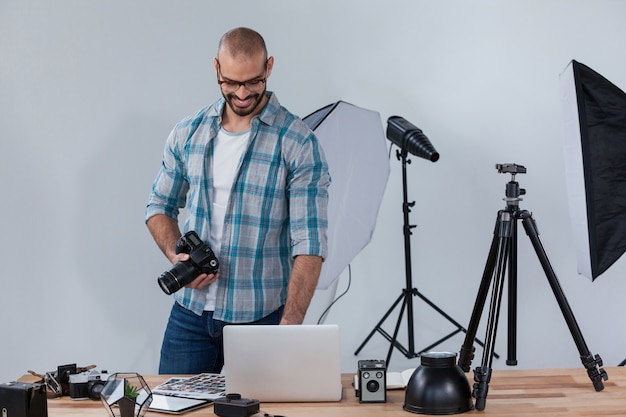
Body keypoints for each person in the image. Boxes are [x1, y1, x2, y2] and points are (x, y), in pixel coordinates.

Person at [145, 27, 330, 374]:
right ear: (216, 68)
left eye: (253, 82)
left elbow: (310, 242)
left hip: (262, 318)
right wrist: (177, 255)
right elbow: (159, 205)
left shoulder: (298, 143)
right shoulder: (188, 132)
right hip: (190, 315)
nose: (242, 93)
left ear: (269, 67)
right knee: (175, 412)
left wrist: (290, 325)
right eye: (231, 82)